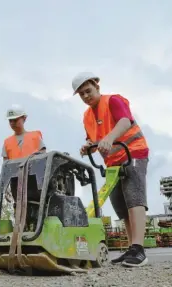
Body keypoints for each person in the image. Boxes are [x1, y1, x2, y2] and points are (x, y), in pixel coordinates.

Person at [72, 72, 149, 267]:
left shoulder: (113, 101)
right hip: (112, 162)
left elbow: (125, 121)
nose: (86, 96)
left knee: (134, 198)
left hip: (133, 153)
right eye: (81, 94)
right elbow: (94, 138)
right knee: (120, 204)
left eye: (88, 91)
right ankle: (132, 247)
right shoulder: (87, 116)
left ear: (97, 86)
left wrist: (110, 138)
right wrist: (88, 145)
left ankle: (139, 249)